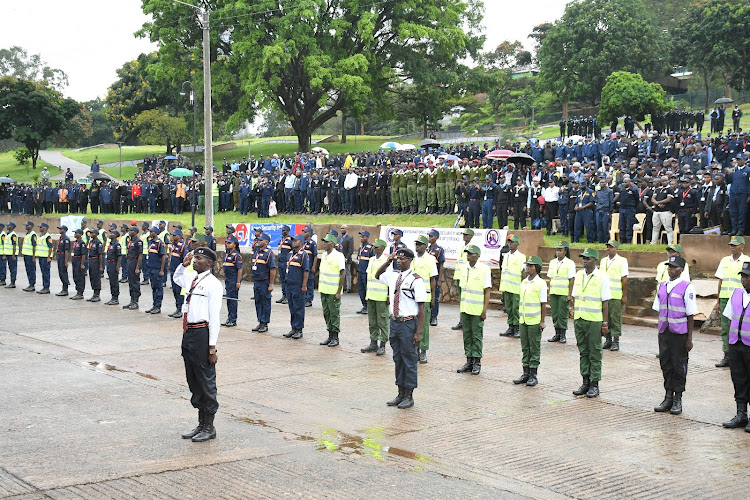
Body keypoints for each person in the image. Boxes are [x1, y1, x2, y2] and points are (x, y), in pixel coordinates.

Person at [174, 247, 223, 443]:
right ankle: (201, 424)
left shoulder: (213, 284)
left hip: (203, 333)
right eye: (195, 258)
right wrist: (182, 265)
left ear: (210, 263)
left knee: (206, 380)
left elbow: (215, 318)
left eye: (199, 258)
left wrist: (212, 348)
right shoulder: (192, 279)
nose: (195, 261)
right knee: (193, 379)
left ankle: (209, 427)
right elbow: (177, 278)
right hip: (189, 334)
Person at [375, 247, 427, 409]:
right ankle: (400, 393)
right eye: (398, 258)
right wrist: (387, 261)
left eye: (403, 259)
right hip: (395, 323)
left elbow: (422, 308)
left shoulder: (416, 280)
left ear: (410, 261)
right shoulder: (393, 276)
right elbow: (377, 275)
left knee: (409, 359)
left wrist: (419, 332)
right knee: (398, 358)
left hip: (408, 323)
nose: (399, 260)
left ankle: (409, 395)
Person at [652, 255, 696, 416]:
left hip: (680, 334)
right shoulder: (662, 286)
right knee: (666, 364)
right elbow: (658, 310)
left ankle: (678, 398)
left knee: (679, 366)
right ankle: (668, 396)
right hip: (664, 332)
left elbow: (691, 315)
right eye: (669, 266)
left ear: (681, 269)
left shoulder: (687, 287)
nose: (671, 269)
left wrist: (689, 339)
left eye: (674, 267)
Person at [571, 248, 611, 398]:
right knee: (583, 351)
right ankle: (585, 381)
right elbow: (575, 296)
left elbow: (605, 302)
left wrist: (605, 323)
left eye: (588, 258)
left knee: (595, 352)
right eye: (583, 258)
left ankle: (595, 383)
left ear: (595, 260)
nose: (584, 261)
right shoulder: (579, 275)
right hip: (580, 318)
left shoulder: (602, 277)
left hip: (594, 320)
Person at [722, 261, 750, 431]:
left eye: (748, 277)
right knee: (738, 379)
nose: (744, 280)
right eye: (743, 277)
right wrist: (727, 346)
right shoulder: (736, 293)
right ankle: (741, 414)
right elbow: (730, 319)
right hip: (736, 345)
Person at [714, 236, 750, 368]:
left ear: (742, 246)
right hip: (725, 297)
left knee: (742, 326)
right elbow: (720, 281)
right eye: (731, 245)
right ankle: (727, 355)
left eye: (735, 245)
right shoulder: (725, 260)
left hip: (741, 299)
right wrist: (718, 300)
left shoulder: (747, 261)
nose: (732, 247)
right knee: (726, 328)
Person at [456, 244, 491, 376]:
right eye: (467, 253)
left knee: (476, 337)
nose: (468, 255)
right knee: (467, 336)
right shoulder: (464, 268)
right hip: (465, 309)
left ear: (477, 255)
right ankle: (468, 361)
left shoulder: (484, 269)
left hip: (477, 310)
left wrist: (484, 310)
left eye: (471, 253)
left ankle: (477, 362)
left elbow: (487, 291)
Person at [513, 255, 547, 386]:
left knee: (534, 348)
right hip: (524, 320)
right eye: (527, 265)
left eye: (531, 266)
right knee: (525, 348)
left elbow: (543, 304)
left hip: (534, 321)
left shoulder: (540, 283)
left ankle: (533, 374)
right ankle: (525, 373)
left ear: (537, 268)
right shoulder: (524, 282)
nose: (528, 268)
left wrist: (542, 321)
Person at [412, 235, 438, 364]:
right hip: (412, 297)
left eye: (420, 244)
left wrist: (433, 298)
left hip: (425, 297)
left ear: (425, 246)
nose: (417, 246)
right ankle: (415, 350)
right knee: (413, 324)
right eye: (416, 244)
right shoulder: (412, 258)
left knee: (424, 326)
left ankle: (423, 351)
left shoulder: (430, 259)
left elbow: (433, 280)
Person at [317, 234, 346, 347]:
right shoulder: (324, 255)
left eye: (327, 242)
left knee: (334, 314)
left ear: (333, 244)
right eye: (324, 241)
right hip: (324, 289)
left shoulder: (339, 256)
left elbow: (342, 273)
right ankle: (329, 335)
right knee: (326, 313)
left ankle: (335, 337)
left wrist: (339, 291)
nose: (324, 243)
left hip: (333, 291)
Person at [361, 239, 389, 355]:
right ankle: (373, 343)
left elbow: (389, 280)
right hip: (371, 295)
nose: (375, 248)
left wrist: (388, 295)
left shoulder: (387, 261)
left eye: (377, 247)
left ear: (383, 247)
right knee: (372, 321)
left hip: (381, 296)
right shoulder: (372, 259)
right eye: (374, 246)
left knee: (382, 321)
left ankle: (382, 344)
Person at [601, 240, 628, 352]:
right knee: (606, 318)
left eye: (611, 247)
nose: (608, 249)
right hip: (604, 294)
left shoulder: (622, 261)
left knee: (615, 317)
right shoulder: (603, 261)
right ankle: (608, 339)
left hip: (615, 294)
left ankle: (616, 340)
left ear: (616, 248)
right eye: (607, 247)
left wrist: (624, 295)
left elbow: (624, 279)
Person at [546, 240, 576, 343]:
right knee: (555, 314)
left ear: (565, 251)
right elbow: (550, 278)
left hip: (563, 293)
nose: (558, 252)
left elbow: (571, 279)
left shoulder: (570, 263)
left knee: (562, 314)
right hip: (554, 292)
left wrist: (570, 294)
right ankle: (557, 333)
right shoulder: (552, 262)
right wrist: (549, 292)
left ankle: (563, 334)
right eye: (557, 250)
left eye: (560, 250)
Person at [283, 234, 310, 340]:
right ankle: (293, 327)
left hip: (298, 285)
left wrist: (304, 285)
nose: (294, 242)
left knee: (299, 307)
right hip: (289, 284)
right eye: (293, 240)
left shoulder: (303, 255)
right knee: (292, 307)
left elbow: (306, 271)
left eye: (296, 241)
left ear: (301, 243)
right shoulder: (290, 254)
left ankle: (299, 329)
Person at [499, 234, 525, 338]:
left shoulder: (521, 257)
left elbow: (523, 272)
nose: (509, 243)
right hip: (506, 286)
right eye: (508, 241)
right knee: (509, 308)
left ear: (517, 244)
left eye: (512, 242)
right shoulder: (506, 256)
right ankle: (510, 327)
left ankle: (517, 328)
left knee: (516, 309)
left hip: (516, 287)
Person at [251, 233, 276, 333]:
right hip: (256, 281)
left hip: (265, 281)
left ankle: (265, 323)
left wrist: (271, 284)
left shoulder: (269, 253)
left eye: (261, 240)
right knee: (258, 302)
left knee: (265, 302)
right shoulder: (256, 252)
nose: (258, 241)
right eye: (258, 240)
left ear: (266, 242)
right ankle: (260, 321)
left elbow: (272, 269)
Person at [451, 228, 474, 331]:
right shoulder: (462, 246)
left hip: (467, 277)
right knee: (462, 300)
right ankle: (462, 321)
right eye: (463, 234)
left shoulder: (472, 248)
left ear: (471, 236)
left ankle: (467, 321)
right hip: (460, 276)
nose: (464, 236)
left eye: (466, 235)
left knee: (467, 300)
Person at [144, 226, 166, 314]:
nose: (150, 233)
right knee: (153, 287)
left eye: (152, 232)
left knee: (158, 288)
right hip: (151, 269)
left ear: (156, 233)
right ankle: (154, 305)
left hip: (157, 269)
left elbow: (163, 256)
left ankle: (158, 306)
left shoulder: (160, 243)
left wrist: (161, 270)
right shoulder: (151, 242)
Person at [222, 236, 242, 327]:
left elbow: (239, 269)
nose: (227, 244)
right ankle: (229, 318)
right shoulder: (228, 254)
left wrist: (238, 282)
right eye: (227, 242)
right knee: (229, 300)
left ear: (235, 244)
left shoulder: (236, 256)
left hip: (233, 281)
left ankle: (233, 319)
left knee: (233, 300)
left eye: (229, 243)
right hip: (228, 280)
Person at [168, 230, 189, 318]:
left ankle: (181, 309)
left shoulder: (183, 247)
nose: (173, 237)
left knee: (179, 291)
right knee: (175, 291)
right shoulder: (174, 246)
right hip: (173, 271)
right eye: (172, 235)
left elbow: (185, 260)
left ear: (180, 236)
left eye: (175, 235)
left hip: (180, 273)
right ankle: (177, 308)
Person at [427, 229, 445, 327]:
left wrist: (440, 279)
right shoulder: (426, 249)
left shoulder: (439, 250)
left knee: (435, 298)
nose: (429, 238)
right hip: (427, 277)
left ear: (436, 238)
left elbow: (441, 265)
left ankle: (434, 316)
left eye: (431, 236)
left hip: (436, 276)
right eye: (429, 236)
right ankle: (428, 315)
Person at [123, 225, 143, 310]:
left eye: (131, 230)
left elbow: (140, 255)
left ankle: (136, 301)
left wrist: (137, 268)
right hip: (129, 261)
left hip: (135, 262)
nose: (129, 231)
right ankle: (132, 300)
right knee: (130, 282)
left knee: (135, 282)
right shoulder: (130, 241)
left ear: (135, 232)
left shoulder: (138, 241)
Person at [355, 230, 374, 314]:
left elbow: (373, 260)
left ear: (367, 237)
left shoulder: (370, 248)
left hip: (366, 272)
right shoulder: (361, 247)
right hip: (360, 271)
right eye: (361, 236)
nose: (361, 238)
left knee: (367, 289)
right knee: (361, 289)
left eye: (363, 237)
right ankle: (364, 306)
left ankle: (369, 307)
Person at [275, 225, 292, 304]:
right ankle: (283, 295)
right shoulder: (281, 240)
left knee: (287, 280)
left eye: (284, 230)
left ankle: (288, 297)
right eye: (282, 230)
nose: (283, 232)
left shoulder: (290, 240)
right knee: (282, 280)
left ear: (288, 231)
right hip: (280, 262)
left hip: (286, 262)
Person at [35, 223, 53, 294]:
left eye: (41, 227)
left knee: (46, 273)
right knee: (43, 272)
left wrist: (49, 257)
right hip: (41, 256)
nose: (40, 228)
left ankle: (46, 287)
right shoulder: (40, 236)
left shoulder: (47, 236)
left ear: (45, 228)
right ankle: (44, 286)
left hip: (45, 257)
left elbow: (50, 247)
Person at [104, 230, 122, 305]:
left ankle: (115, 298)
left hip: (114, 263)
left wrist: (117, 267)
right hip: (109, 263)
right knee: (111, 281)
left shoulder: (116, 245)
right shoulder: (111, 244)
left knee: (114, 281)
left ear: (115, 236)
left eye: (112, 233)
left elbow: (119, 256)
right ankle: (112, 297)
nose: (110, 234)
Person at [86, 228, 103, 302]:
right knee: (92, 277)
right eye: (91, 233)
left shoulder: (98, 243)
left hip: (96, 260)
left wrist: (100, 266)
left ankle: (97, 295)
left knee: (96, 277)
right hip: (91, 260)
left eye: (93, 233)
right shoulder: (91, 242)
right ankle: (94, 294)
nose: (91, 234)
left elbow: (100, 255)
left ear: (96, 234)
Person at [302, 227, 318, 307]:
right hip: (303, 266)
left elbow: (315, 255)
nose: (304, 233)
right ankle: (304, 298)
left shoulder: (312, 243)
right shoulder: (302, 242)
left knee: (310, 283)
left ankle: (309, 299)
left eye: (306, 232)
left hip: (309, 265)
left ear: (310, 233)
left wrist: (313, 266)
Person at [70, 229, 87, 300]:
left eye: (76, 233)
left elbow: (83, 254)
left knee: (80, 277)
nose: (75, 234)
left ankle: (80, 293)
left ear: (80, 234)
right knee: (75, 276)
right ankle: (77, 292)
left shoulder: (82, 243)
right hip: (75, 260)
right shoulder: (76, 242)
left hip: (79, 260)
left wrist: (82, 264)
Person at [54, 225, 71, 296]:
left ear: (64, 230)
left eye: (61, 229)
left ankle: (65, 289)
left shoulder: (66, 239)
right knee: (60, 272)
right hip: (59, 255)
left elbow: (66, 251)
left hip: (63, 256)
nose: (59, 230)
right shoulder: (61, 238)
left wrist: (66, 261)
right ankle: (63, 288)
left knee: (63, 273)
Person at [20, 221, 37, 292]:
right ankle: (30, 284)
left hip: (30, 255)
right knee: (28, 270)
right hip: (26, 255)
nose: (26, 227)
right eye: (25, 225)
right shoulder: (27, 234)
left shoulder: (33, 234)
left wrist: (33, 256)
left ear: (32, 226)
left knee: (31, 270)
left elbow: (34, 245)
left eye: (28, 225)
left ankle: (32, 285)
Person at [2, 222, 18, 288]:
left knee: (13, 269)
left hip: (12, 255)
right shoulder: (8, 234)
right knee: (10, 268)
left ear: (12, 227)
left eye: (9, 226)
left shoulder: (13, 235)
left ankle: (13, 282)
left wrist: (13, 255)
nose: (7, 226)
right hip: (8, 254)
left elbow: (14, 245)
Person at [339, 224, 354, 292]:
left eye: (343, 228)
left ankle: (348, 287)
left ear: (347, 229)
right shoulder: (339, 238)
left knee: (347, 272)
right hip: (340, 258)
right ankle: (342, 286)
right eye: (341, 228)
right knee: (341, 273)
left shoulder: (349, 238)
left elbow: (351, 250)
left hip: (346, 258)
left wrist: (346, 258)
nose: (342, 229)